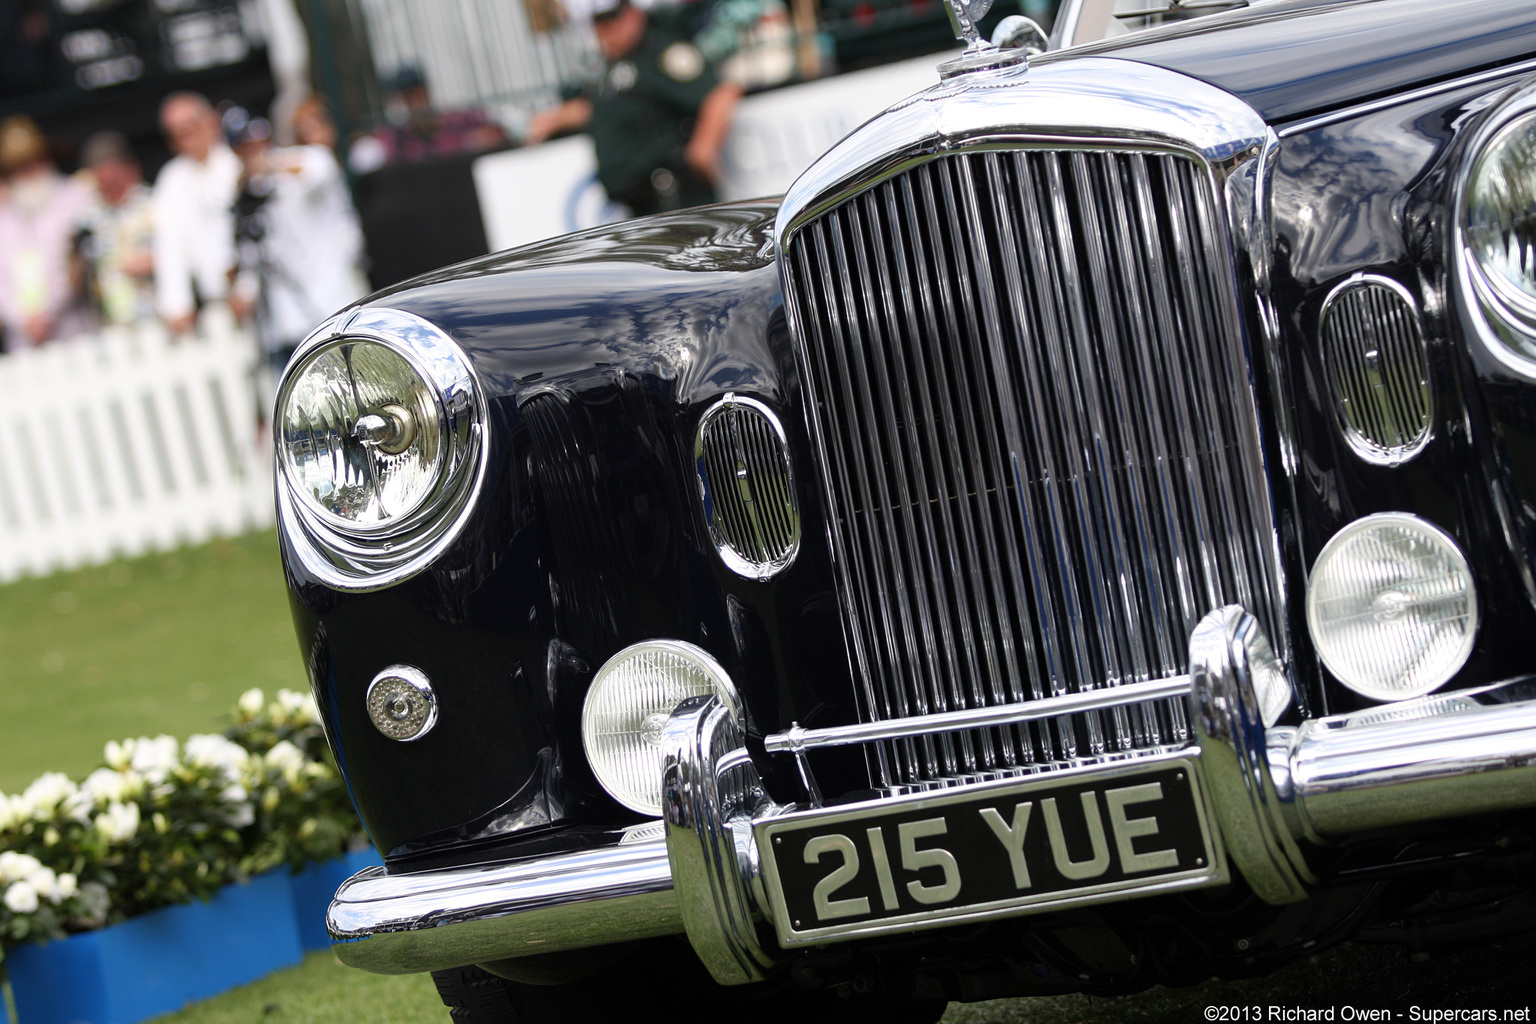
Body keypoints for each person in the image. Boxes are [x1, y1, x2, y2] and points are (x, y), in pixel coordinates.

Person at [524, 0, 743, 216]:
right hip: (642, 206)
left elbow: (719, 93)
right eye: (599, 23)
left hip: (675, 199)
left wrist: (703, 149)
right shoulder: (610, 69)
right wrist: (555, 118)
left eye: (614, 19)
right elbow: (600, 107)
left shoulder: (659, 54)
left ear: (634, 14)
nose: (608, 30)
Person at [223, 107, 368, 407]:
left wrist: (267, 165)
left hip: (332, 302)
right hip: (287, 318)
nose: (253, 152)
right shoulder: (247, 193)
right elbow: (254, 251)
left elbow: (321, 169)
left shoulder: (303, 160)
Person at [0, 114, 93, 349]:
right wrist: (23, 319)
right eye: (18, 168)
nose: (28, 173)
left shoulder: (76, 197)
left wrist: (48, 312)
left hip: (75, 332)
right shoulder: (4, 214)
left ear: (47, 158)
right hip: (23, 341)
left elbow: (77, 266)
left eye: (33, 162)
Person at [153, 92, 242, 335]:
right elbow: (170, 244)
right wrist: (176, 304)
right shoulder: (172, 178)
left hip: (258, 295)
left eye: (188, 129)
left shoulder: (236, 163)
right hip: (214, 305)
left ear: (210, 122)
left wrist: (246, 288)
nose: (183, 140)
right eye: (175, 134)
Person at [74, 131, 157, 327]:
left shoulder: (154, 206)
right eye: (98, 171)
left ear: (129, 168)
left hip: (155, 315)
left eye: (111, 169)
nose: (105, 178)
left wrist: (156, 260)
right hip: (111, 323)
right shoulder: (87, 220)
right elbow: (75, 277)